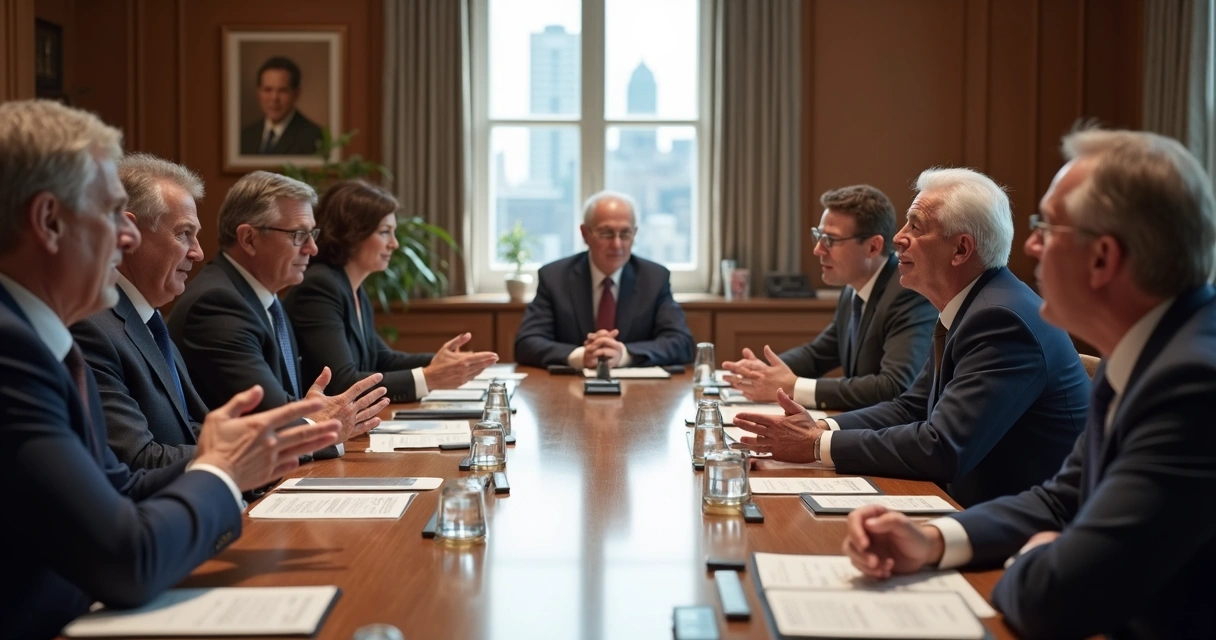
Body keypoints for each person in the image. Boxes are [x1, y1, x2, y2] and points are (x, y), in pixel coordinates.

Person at [843, 129, 1216, 639]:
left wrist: (1033, 554)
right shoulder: (1139, 352)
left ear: (1103, 258)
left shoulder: (1192, 387)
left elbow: (1056, 597)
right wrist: (932, 539)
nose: (1032, 245)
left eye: (1048, 227)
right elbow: (1061, 500)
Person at [0, 99, 341, 639]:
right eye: (112, 213)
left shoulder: (45, 336)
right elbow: (126, 562)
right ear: (48, 221)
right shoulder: (11, 348)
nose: (128, 236)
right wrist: (222, 471)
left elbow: (124, 485)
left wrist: (242, 455)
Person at [735, 168, 1091, 507]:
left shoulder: (1000, 319)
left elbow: (942, 447)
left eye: (916, 226)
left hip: (1017, 528)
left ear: (961, 250)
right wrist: (820, 426)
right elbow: (912, 406)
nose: (897, 237)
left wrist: (817, 445)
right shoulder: (973, 305)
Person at [168, 171, 390, 460]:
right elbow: (272, 417)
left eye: (313, 234)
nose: (312, 248)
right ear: (249, 238)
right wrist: (326, 425)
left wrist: (317, 414)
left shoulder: (265, 297)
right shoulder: (217, 305)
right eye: (299, 235)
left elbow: (288, 408)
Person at [722, 185, 936, 410]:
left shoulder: (908, 293)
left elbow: (893, 386)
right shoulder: (853, 288)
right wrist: (761, 371)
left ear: (873, 247)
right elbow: (818, 354)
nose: (818, 249)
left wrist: (795, 386)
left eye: (831, 240)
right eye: (819, 236)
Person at [283, 180, 498, 403]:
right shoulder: (320, 286)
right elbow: (342, 383)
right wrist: (429, 377)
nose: (394, 244)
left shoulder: (351, 286)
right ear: (352, 233)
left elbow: (381, 359)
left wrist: (442, 363)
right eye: (385, 232)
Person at [70, 154, 211, 469]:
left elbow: (187, 430)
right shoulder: (89, 326)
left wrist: (276, 438)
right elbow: (135, 458)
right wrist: (245, 456)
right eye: (183, 233)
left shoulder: (148, 318)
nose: (198, 252)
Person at [514, 190, 695, 368]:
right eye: (606, 233)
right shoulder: (555, 277)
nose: (617, 244)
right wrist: (581, 356)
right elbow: (526, 343)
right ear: (585, 234)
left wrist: (623, 355)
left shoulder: (654, 278)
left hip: (637, 390)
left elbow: (681, 343)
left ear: (635, 234)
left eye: (625, 234)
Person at [238, 56, 325, 155]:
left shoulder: (315, 139)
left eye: (283, 91)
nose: (274, 98)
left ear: (296, 94)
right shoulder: (245, 136)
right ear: (258, 93)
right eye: (268, 90)